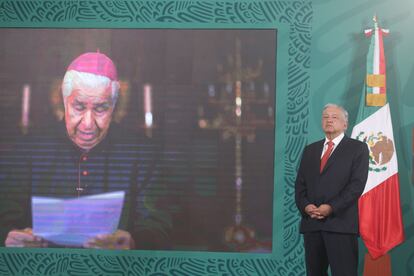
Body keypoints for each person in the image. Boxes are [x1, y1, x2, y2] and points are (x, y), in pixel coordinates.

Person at [0, 52, 171, 249]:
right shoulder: (29, 150)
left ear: (113, 107)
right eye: (79, 106)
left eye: (100, 108)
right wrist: (10, 236)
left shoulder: (142, 154)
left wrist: (134, 242)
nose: (88, 124)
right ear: (64, 103)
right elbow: (5, 214)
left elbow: (158, 223)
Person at [295, 103, 369, 276]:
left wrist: (331, 207)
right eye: (325, 117)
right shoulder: (310, 150)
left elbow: (356, 186)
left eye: (334, 117)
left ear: (345, 124)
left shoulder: (357, 149)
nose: (329, 120)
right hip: (312, 224)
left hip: (341, 225)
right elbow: (300, 185)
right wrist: (306, 206)